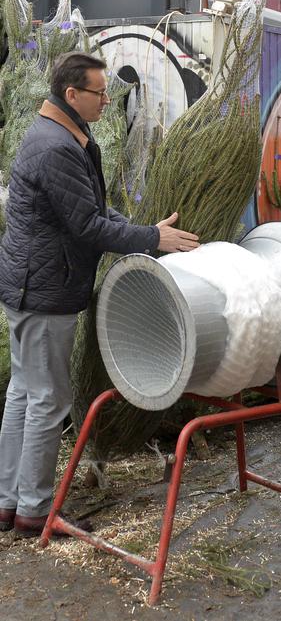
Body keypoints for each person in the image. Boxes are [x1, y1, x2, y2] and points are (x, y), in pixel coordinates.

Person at [0, 51, 200, 538]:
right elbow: (88, 225)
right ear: (72, 94)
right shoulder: (56, 147)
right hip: (45, 289)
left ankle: (10, 504)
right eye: (100, 92)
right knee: (47, 398)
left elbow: (92, 209)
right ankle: (35, 512)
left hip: (30, 283)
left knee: (25, 394)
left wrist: (145, 229)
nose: (108, 100)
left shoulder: (61, 134)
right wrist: (154, 240)